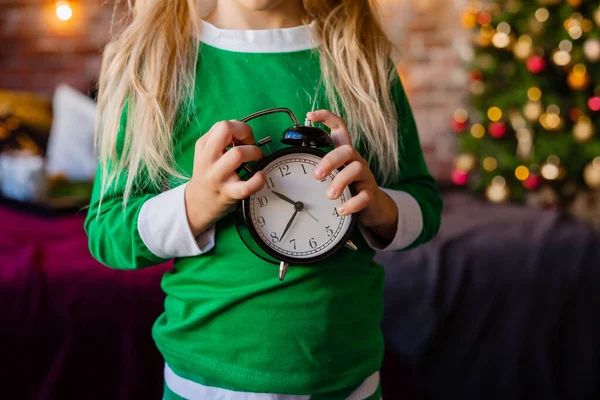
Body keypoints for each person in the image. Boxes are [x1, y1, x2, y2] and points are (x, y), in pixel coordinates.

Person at [85, 0, 442, 398]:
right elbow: (107, 233)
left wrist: (378, 206)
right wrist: (194, 206)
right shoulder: (149, 67)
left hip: (347, 381)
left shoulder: (364, 62)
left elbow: (424, 205)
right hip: (205, 384)